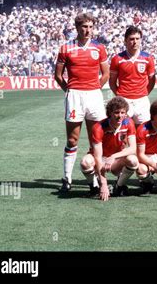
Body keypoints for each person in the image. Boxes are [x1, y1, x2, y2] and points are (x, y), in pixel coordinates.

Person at [54, 12, 109, 193]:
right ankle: (67, 178)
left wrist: (95, 89)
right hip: (75, 95)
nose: (88, 30)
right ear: (77, 28)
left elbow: (106, 74)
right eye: (84, 27)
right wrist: (70, 91)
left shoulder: (99, 48)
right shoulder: (65, 48)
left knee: (96, 140)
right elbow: (58, 75)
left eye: (91, 27)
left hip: (93, 95)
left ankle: (93, 181)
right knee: (72, 139)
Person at [79, 97, 138, 201]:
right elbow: (97, 157)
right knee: (85, 162)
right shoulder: (99, 127)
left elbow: (133, 148)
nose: (120, 116)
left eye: (122, 112)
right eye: (116, 112)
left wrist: (113, 156)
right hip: (100, 158)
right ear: (109, 113)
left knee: (133, 160)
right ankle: (95, 187)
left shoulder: (129, 122)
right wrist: (104, 184)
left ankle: (119, 186)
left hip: (115, 160)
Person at [109, 26, 156, 126]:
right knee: (123, 132)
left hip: (142, 101)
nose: (135, 42)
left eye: (137, 39)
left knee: (143, 133)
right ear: (125, 41)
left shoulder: (148, 58)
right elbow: (112, 81)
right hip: (124, 100)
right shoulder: (117, 59)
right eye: (131, 39)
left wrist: (144, 93)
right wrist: (119, 95)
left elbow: (152, 80)